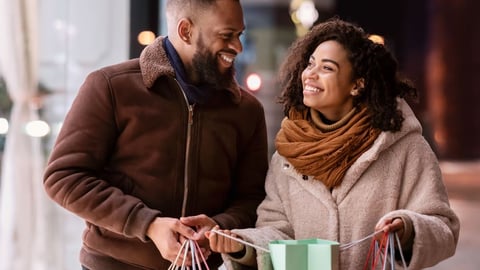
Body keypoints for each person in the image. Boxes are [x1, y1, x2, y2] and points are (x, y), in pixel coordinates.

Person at [205, 17, 460, 269]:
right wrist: (244, 245)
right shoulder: (289, 152)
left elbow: (443, 227)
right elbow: (277, 229)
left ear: (357, 85)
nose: (310, 74)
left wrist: (407, 229)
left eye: (327, 68)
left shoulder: (405, 148)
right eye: (310, 64)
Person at [43, 0, 269, 269]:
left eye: (239, 35)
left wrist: (219, 227)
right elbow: (63, 177)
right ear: (186, 31)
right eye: (226, 35)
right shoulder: (111, 87)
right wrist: (148, 224)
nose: (238, 47)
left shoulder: (246, 111)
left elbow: (252, 199)